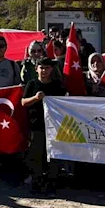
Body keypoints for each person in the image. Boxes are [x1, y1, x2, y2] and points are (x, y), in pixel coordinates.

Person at [22, 58, 67, 194]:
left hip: (54, 126)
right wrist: (35, 98)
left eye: (47, 68)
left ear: (51, 69)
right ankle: (36, 181)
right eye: (41, 68)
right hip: (37, 125)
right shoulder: (32, 84)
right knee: (36, 154)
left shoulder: (57, 85)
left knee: (53, 155)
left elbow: (64, 103)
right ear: (36, 69)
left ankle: (52, 181)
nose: (44, 71)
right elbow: (23, 102)